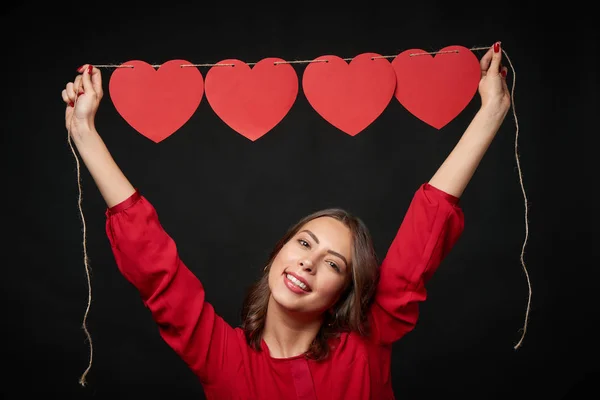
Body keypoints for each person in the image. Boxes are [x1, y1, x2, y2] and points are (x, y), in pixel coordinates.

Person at [62, 42, 511, 399]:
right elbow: (154, 265)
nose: (309, 264)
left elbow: (426, 228)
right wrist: (84, 132)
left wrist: (491, 113)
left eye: (334, 264)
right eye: (304, 243)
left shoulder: (366, 343)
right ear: (276, 254)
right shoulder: (222, 356)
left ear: (343, 295)